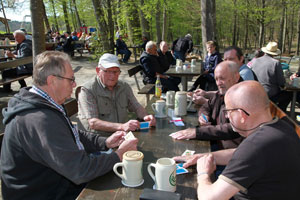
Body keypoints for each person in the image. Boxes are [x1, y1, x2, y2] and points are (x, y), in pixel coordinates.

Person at [0, 51, 138, 199]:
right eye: (71, 79)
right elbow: (80, 170)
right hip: (43, 193)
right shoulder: (40, 119)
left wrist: (106, 142)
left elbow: (72, 133)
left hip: (56, 182)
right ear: (52, 80)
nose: (74, 84)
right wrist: (118, 155)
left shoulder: (45, 103)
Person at [173, 81, 300, 200]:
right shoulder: (282, 127)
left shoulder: (256, 145)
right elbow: (241, 154)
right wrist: (203, 156)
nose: (227, 116)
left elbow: (209, 197)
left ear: (242, 114)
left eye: (228, 111)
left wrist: (203, 173)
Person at [170, 61, 242, 149]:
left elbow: (232, 128)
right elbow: (206, 106)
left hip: (231, 152)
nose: (218, 83)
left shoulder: (243, 96)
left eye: (222, 78)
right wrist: (204, 116)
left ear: (236, 77)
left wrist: (197, 132)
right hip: (216, 142)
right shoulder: (222, 92)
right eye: (216, 79)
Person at [78, 53, 156, 135]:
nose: (112, 75)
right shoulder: (87, 90)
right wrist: (122, 127)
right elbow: (93, 122)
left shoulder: (124, 87)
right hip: (98, 140)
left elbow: (136, 106)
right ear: (98, 71)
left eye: (116, 71)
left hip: (121, 135)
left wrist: (145, 116)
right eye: (107, 71)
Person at [251, 41, 292, 111]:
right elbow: (281, 82)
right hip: (270, 94)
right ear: (275, 54)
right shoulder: (275, 63)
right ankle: (279, 111)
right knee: (289, 94)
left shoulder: (255, 61)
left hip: (256, 91)